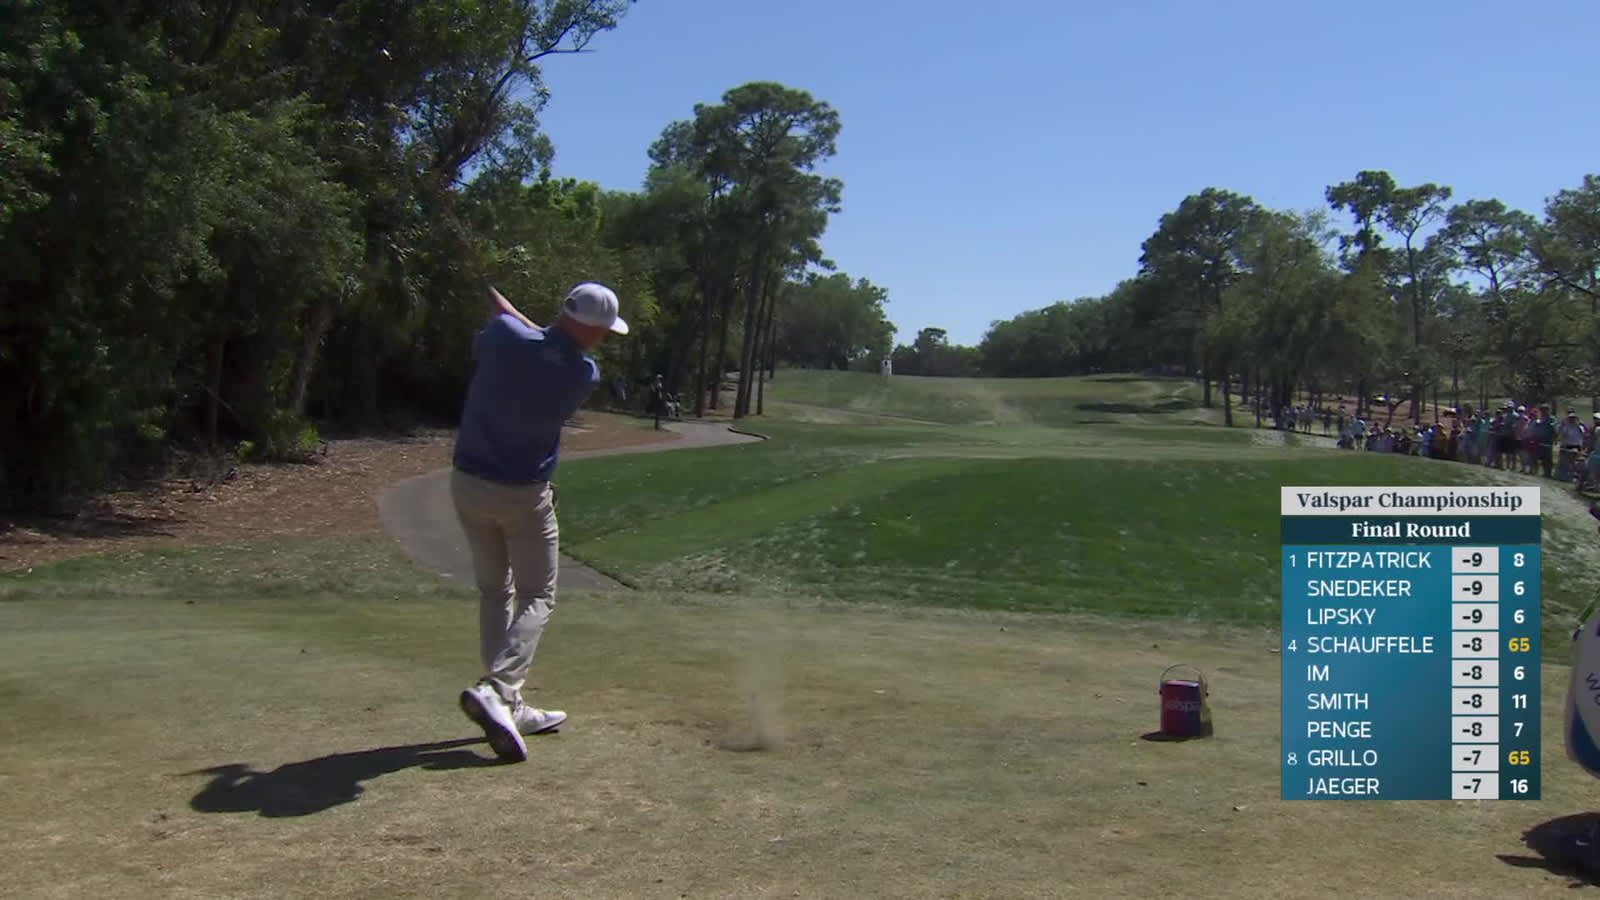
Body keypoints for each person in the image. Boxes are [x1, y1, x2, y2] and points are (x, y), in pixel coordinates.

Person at [450, 281, 628, 763]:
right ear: (593, 332)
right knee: (537, 595)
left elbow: (513, 325)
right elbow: (546, 343)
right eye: (605, 332)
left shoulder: (506, 337)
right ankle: (500, 687)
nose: (605, 340)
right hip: (523, 496)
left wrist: (499, 300)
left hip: (466, 484)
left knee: (494, 591)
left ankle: (507, 703)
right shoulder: (582, 373)